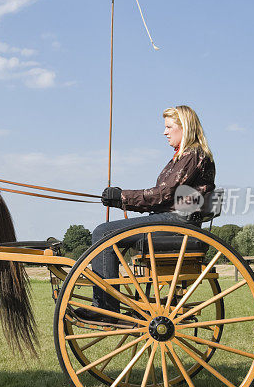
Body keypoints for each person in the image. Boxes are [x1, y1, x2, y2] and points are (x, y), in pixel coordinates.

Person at [76, 105, 216, 323]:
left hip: (178, 222)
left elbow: (164, 194)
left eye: (169, 126)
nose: (165, 132)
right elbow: (162, 197)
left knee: (103, 234)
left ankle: (105, 309)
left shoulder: (192, 155)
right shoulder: (182, 157)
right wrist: (120, 199)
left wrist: (122, 197)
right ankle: (106, 304)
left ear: (184, 127)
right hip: (172, 219)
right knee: (106, 233)